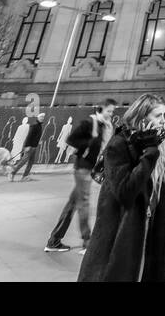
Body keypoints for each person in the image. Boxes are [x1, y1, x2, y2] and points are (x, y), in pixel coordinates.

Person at [78, 94, 165, 282]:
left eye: (164, 115)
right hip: (120, 235)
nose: (163, 121)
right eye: (157, 116)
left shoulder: (158, 145)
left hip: (147, 232)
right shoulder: (119, 144)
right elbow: (125, 192)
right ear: (141, 117)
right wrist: (149, 153)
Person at [44, 99, 115, 253]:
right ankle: (87, 242)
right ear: (101, 109)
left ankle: (54, 240)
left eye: (112, 111)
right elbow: (71, 139)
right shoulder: (90, 122)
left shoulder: (106, 125)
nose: (111, 114)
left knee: (72, 204)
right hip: (83, 167)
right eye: (109, 111)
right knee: (84, 204)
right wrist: (90, 143)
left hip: (89, 167)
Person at [10, 109, 45, 181]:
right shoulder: (34, 125)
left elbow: (35, 136)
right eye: (41, 117)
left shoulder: (39, 126)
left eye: (43, 118)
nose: (42, 118)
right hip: (30, 147)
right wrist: (27, 146)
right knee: (23, 161)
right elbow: (29, 136)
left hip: (34, 147)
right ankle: (12, 173)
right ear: (38, 118)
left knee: (31, 163)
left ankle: (24, 176)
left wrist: (38, 141)